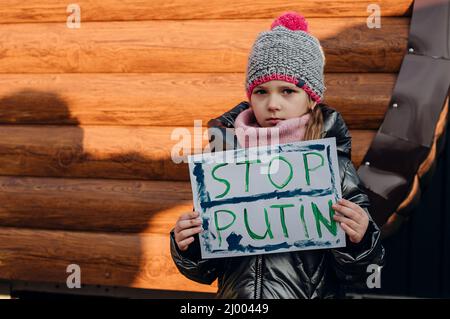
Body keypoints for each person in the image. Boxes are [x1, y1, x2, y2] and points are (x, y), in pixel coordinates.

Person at [170, 11, 385, 299]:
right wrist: (189, 245)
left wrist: (359, 239)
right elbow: (205, 272)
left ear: (311, 99)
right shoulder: (224, 159)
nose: (273, 104)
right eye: (261, 91)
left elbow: (364, 270)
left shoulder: (332, 163)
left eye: (287, 91)